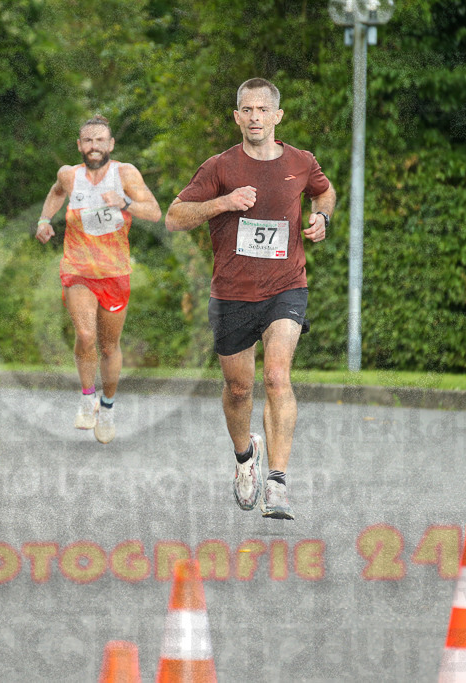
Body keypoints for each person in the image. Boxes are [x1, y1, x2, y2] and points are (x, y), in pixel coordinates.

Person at [165, 78, 336, 519]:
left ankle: (277, 482)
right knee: (238, 389)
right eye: (247, 110)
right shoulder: (219, 167)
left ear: (278, 116)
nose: (255, 117)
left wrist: (323, 218)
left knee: (278, 377)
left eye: (264, 110)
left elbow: (324, 190)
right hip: (232, 294)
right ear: (237, 116)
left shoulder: (301, 161)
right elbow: (175, 216)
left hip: (286, 286)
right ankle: (245, 459)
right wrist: (223, 203)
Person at [35, 115, 162, 443]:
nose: (94, 147)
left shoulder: (125, 174)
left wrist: (126, 202)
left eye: (100, 140)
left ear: (110, 144)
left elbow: (154, 211)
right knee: (85, 333)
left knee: (109, 345)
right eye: (88, 141)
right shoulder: (69, 175)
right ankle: (87, 398)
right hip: (78, 270)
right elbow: (55, 192)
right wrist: (43, 220)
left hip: (115, 273)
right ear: (79, 145)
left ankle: (107, 407)